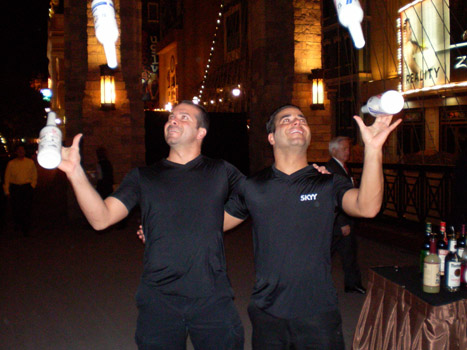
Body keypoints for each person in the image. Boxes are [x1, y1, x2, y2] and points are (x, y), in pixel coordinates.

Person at [58, 101, 245, 350]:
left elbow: (259, 198)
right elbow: (100, 219)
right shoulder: (143, 177)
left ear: (201, 132)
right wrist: (74, 173)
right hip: (159, 300)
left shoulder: (221, 170)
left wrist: (312, 178)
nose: (173, 120)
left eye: (184, 117)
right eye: (171, 117)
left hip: (212, 297)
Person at [222, 104, 401, 349]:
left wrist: (373, 149)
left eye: (302, 119)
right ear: (271, 138)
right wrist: (155, 224)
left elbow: (367, 207)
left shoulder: (327, 182)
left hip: (318, 312)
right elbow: (213, 223)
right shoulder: (253, 186)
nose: (297, 122)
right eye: (286, 120)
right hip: (266, 311)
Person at [326, 136, 366, 294]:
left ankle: (353, 283)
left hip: (346, 219)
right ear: (334, 150)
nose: (347, 152)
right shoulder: (331, 169)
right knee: (326, 254)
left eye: (348, 148)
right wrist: (343, 222)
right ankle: (313, 283)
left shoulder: (343, 167)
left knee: (349, 253)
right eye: (344, 149)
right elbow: (335, 197)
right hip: (338, 222)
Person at [3, 145, 37, 236]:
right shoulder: (11, 163)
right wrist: (7, 190)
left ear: (25, 152)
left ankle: (26, 228)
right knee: (16, 208)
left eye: (22, 150)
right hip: (15, 188)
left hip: (26, 187)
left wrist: (32, 186)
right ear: (16, 152)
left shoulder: (30, 162)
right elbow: (7, 177)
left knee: (27, 208)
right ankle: (17, 225)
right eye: (19, 150)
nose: (21, 152)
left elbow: (34, 175)